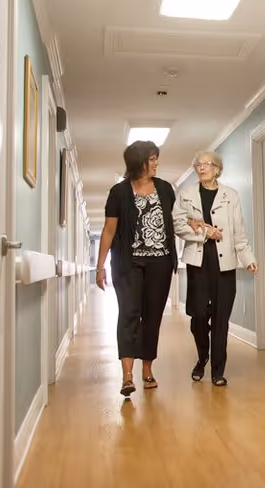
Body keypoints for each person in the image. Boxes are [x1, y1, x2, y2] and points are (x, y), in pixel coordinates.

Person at [96, 141, 178, 397]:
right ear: (138, 162)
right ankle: (127, 376)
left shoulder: (165, 189)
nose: (156, 163)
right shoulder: (119, 192)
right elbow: (109, 230)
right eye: (152, 159)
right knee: (129, 314)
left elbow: (176, 220)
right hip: (128, 263)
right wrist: (99, 267)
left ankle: (147, 370)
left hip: (160, 262)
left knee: (152, 317)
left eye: (156, 159)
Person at [173, 150, 258, 386]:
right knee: (198, 315)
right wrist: (204, 230)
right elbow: (178, 224)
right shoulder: (186, 194)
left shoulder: (231, 195)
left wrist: (248, 257)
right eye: (198, 165)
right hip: (198, 261)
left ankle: (218, 370)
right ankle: (202, 357)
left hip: (225, 263)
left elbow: (239, 233)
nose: (202, 168)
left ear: (217, 169)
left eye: (207, 164)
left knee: (221, 318)